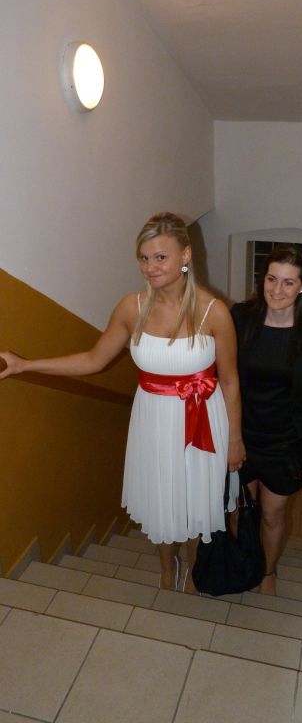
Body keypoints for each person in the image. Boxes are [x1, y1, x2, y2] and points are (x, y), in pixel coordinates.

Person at [0, 212, 245, 594]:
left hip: (202, 420)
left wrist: (235, 440)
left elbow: (229, 380)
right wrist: (25, 365)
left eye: (160, 257)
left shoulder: (214, 312)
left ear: (185, 255)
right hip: (153, 420)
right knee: (161, 499)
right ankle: (167, 566)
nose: (150, 267)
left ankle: (195, 564)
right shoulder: (133, 308)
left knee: (196, 499)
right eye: (144, 258)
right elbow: (93, 360)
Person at [231, 244, 302, 596]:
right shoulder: (240, 317)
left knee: (272, 515)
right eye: (271, 279)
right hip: (240, 435)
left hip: (286, 441)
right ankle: (242, 562)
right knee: (238, 509)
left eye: (288, 282)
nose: (276, 289)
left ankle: (267, 571)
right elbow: (223, 377)